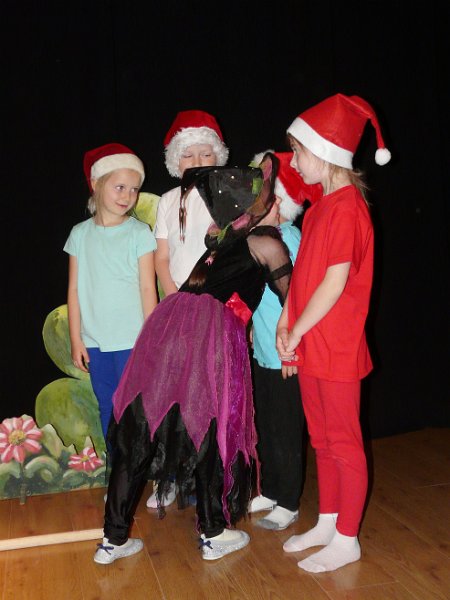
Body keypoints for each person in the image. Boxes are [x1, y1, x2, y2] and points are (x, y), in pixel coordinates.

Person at [93, 153, 294, 564]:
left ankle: (112, 539)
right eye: (271, 198)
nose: (276, 204)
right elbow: (293, 296)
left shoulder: (220, 241)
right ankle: (213, 531)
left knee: (143, 423)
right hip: (210, 333)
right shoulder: (267, 242)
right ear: (258, 206)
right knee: (208, 424)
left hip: (167, 326)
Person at [276, 93, 391, 572]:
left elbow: (334, 282)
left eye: (298, 152)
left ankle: (347, 539)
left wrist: (297, 328)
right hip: (311, 344)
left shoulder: (348, 208)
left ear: (324, 153)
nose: (294, 162)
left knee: (343, 442)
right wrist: (286, 319)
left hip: (336, 346)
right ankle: (327, 522)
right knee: (321, 438)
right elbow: (304, 274)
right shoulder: (321, 207)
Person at [147, 109, 229, 509]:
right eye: (188, 154)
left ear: (218, 157)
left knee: (208, 395)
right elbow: (162, 258)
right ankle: (170, 475)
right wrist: (173, 299)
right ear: (175, 161)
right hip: (178, 308)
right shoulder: (167, 201)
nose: (197, 161)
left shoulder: (228, 195)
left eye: (205, 153)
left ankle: (204, 477)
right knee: (174, 393)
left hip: (215, 309)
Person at [64, 143, 158, 443]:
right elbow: (74, 289)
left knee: (135, 408)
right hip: (95, 341)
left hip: (132, 339)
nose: (127, 196)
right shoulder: (80, 234)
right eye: (119, 187)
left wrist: (150, 336)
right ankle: (116, 468)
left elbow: (147, 287)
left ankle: (142, 466)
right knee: (107, 405)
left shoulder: (139, 232)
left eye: (134, 189)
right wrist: (76, 338)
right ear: (96, 184)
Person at [248, 151, 306, 531]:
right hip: (264, 353)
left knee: (286, 430)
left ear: (279, 202)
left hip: (286, 354)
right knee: (266, 426)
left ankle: (288, 501)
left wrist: (292, 353)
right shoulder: (257, 239)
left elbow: (297, 297)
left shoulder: (289, 238)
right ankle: (270, 489)